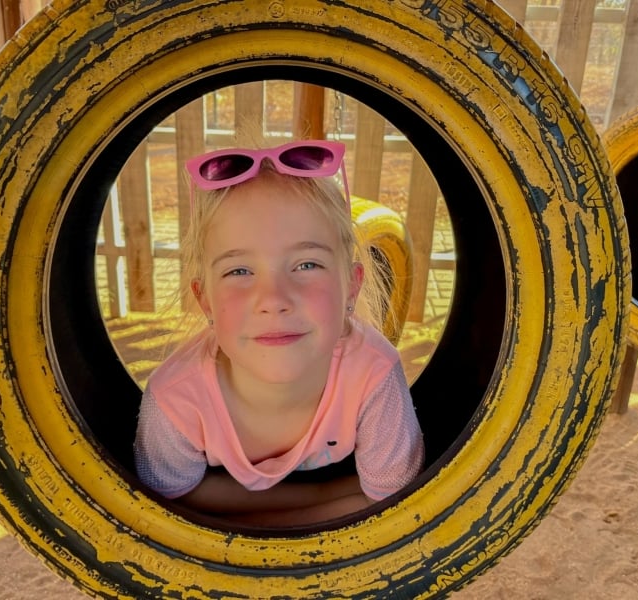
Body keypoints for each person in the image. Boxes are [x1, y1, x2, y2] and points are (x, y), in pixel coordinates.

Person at [134, 139, 424, 526]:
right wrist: (327, 500)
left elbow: (395, 499)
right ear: (205, 301)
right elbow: (170, 500)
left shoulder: (373, 373)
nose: (273, 299)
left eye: (306, 264)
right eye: (239, 271)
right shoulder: (176, 399)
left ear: (351, 285)